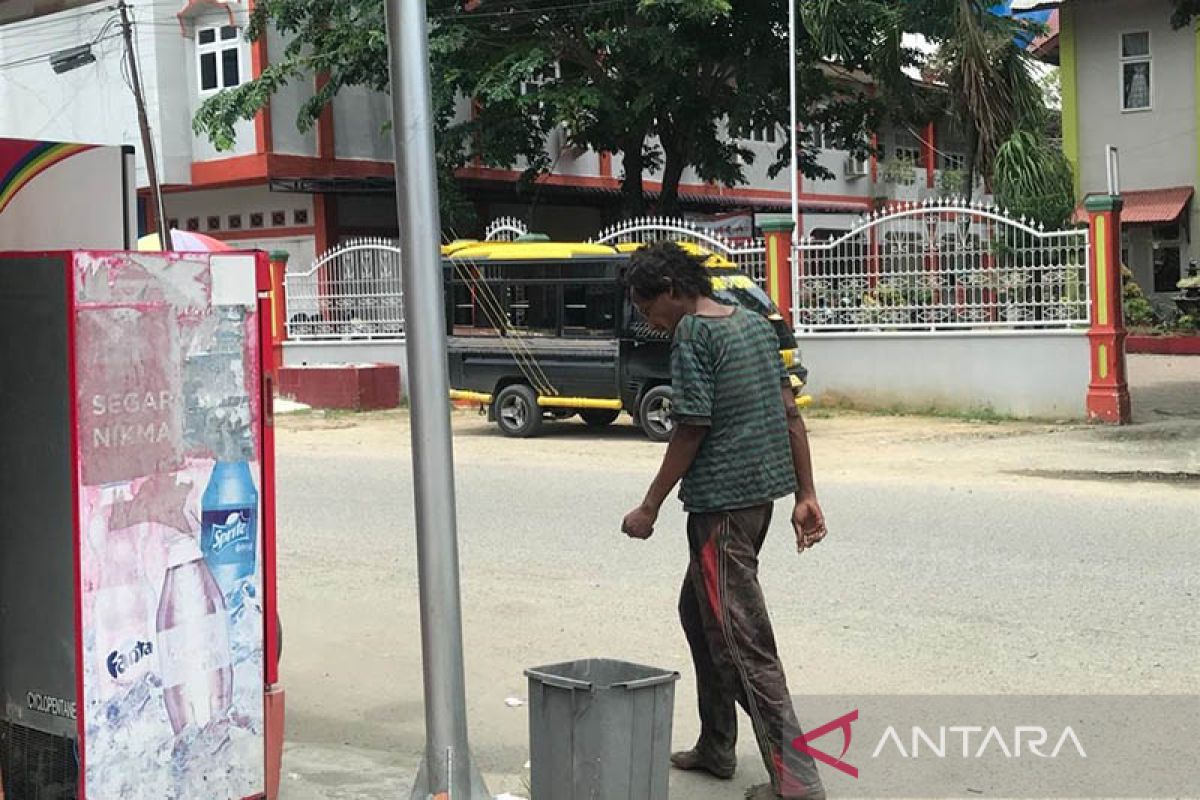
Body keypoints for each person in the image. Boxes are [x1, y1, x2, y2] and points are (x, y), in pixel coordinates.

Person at [620, 241, 828, 800]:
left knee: (742, 643)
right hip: (758, 503)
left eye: (646, 309)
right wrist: (805, 493)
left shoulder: (693, 334)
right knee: (698, 612)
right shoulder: (757, 325)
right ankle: (717, 745)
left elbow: (690, 427)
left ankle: (798, 780)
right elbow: (789, 411)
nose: (650, 322)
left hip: (722, 512)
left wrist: (650, 506)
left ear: (669, 290)